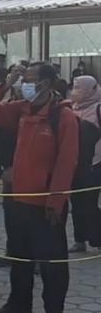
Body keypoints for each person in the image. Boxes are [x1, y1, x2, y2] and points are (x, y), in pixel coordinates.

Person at [0, 63, 78, 313]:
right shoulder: (22, 109)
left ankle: (54, 309)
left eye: (30, 79)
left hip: (46, 203)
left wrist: (56, 201)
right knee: (19, 256)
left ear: (46, 83)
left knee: (51, 259)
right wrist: (6, 83)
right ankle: (19, 302)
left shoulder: (62, 116)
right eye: (24, 78)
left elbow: (66, 163)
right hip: (18, 199)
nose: (26, 83)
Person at [0, 69, 22, 269]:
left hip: (27, 171)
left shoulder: (38, 110)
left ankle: (32, 258)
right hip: (7, 169)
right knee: (10, 214)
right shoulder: (7, 108)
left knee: (27, 218)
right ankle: (12, 253)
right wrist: (6, 85)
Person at [68, 75, 101, 252]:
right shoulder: (73, 108)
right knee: (76, 202)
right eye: (75, 87)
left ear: (92, 89)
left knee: (90, 203)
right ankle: (79, 240)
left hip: (95, 164)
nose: (76, 91)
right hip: (75, 163)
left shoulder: (98, 109)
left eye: (80, 87)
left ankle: (97, 240)